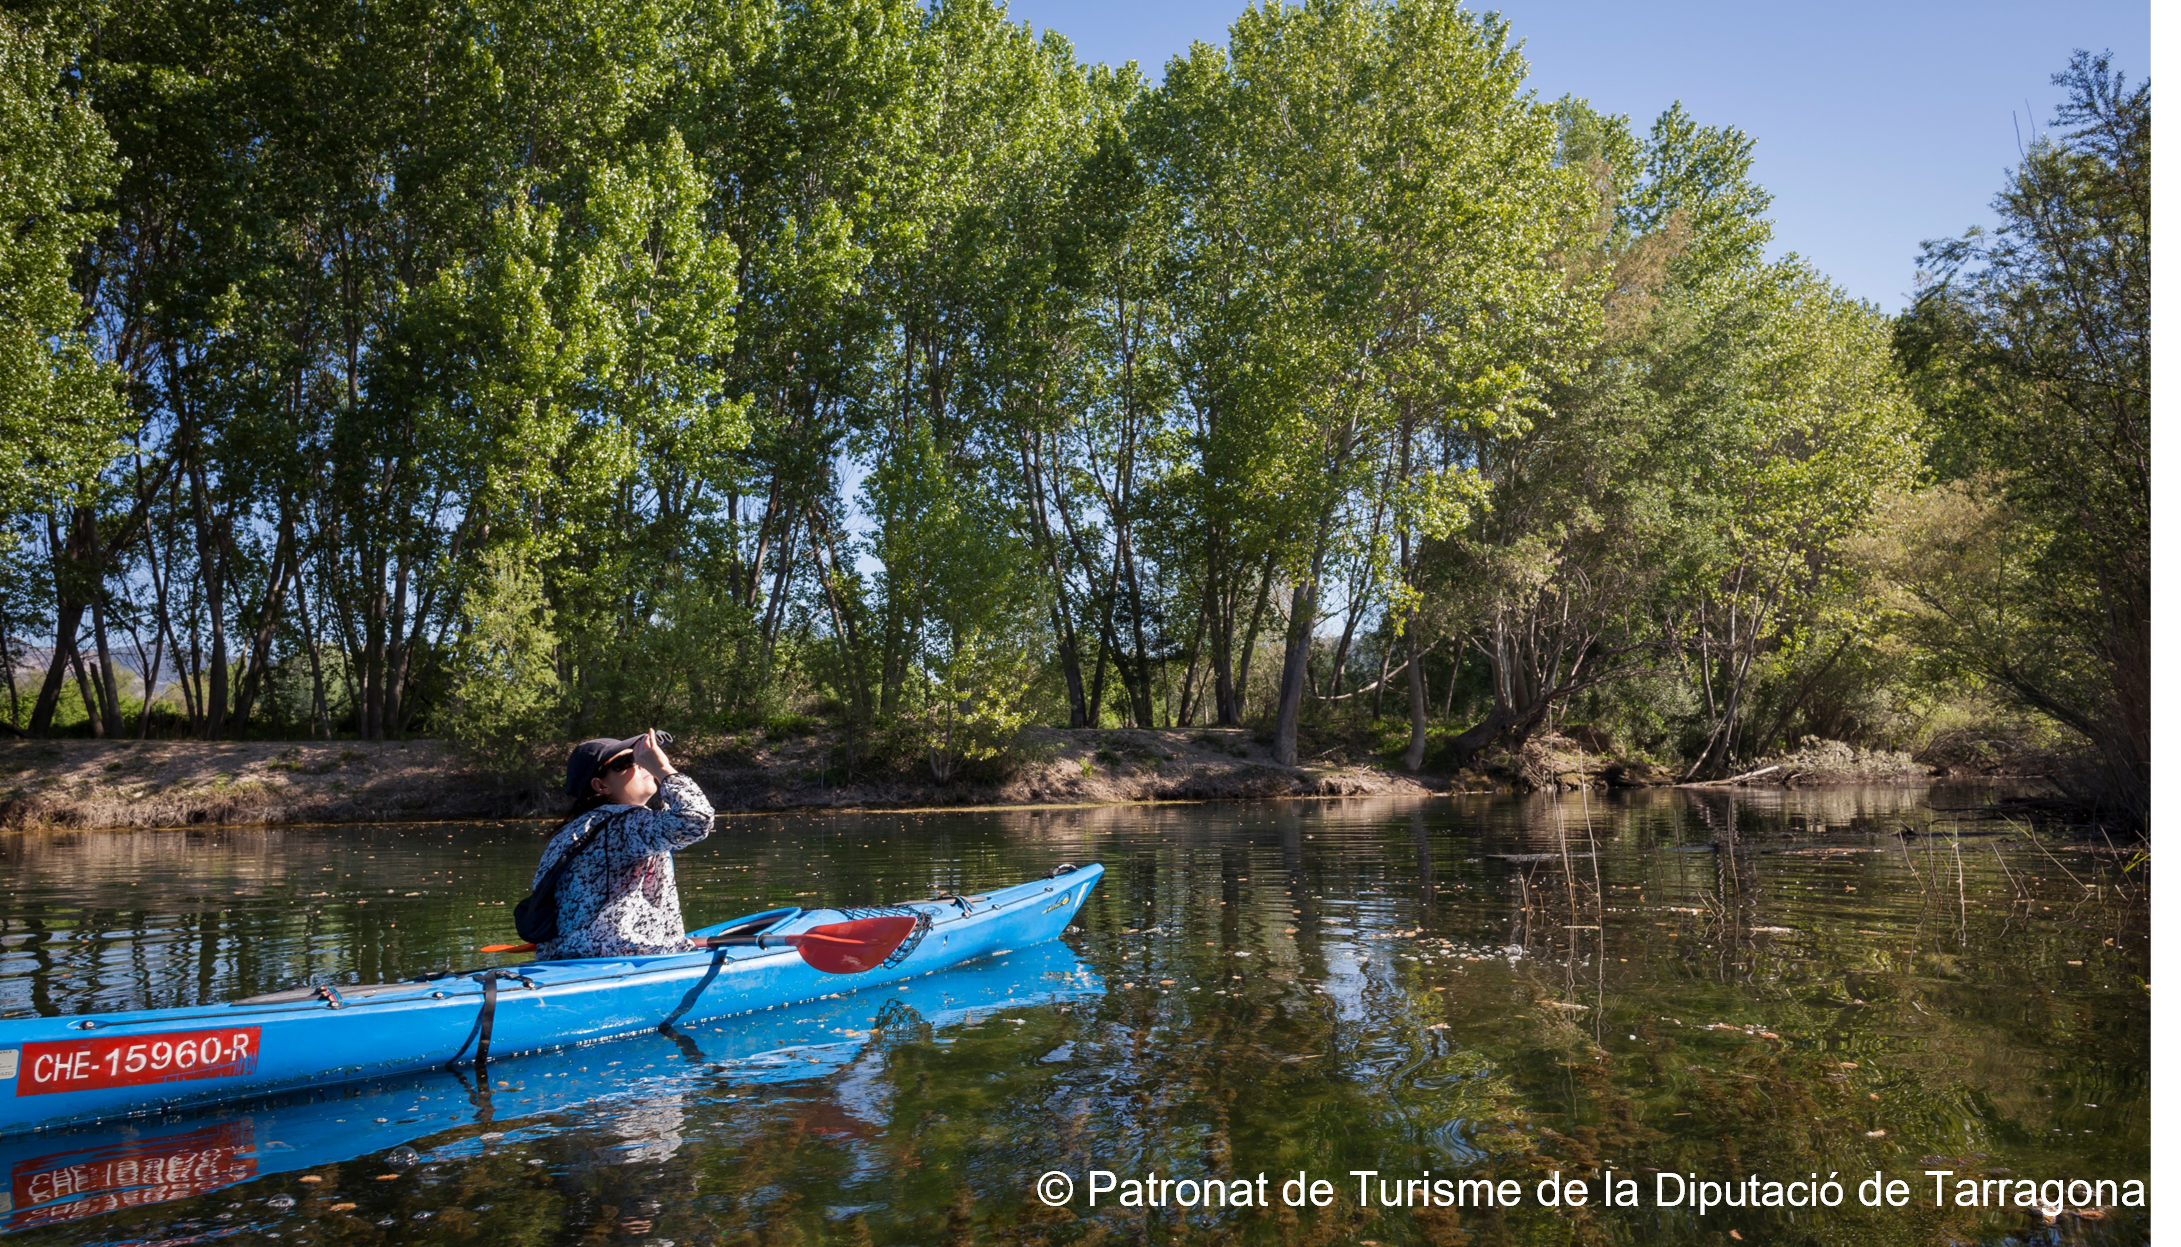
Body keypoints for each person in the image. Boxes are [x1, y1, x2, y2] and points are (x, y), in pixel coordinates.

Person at [533, 728, 715, 959]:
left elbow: (672, 832)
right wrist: (663, 770)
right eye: (626, 762)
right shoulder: (624, 825)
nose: (639, 765)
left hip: (571, 959)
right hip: (620, 961)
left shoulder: (576, 829)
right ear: (600, 786)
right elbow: (696, 820)